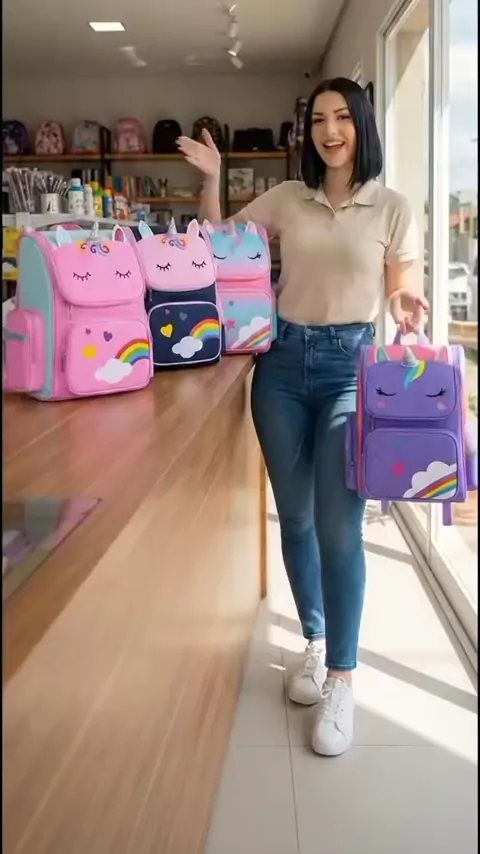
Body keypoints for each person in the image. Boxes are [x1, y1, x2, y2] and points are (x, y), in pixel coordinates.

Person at [177, 78, 428, 757]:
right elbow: (219, 242)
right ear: (308, 132)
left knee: (340, 526)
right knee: (294, 519)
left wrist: (405, 305)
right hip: (282, 367)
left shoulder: (392, 207)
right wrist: (214, 179)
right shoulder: (289, 196)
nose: (330, 130)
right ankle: (315, 643)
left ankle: (343, 676)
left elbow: (401, 285)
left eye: (343, 117)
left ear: (362, 125)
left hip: (351, 368)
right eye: (319, 120)